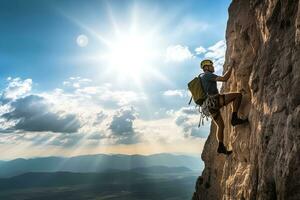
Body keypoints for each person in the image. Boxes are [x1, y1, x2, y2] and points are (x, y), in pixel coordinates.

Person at [200, 59, 248, 155]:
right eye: (211, 65)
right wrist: (231, 67)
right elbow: (224, 79)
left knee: (221, 126)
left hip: (209, 106)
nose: (213, 67)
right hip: (215, 100)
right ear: (206, 67)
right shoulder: (207, 75)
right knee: (238, 95)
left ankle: (221, 146)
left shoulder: (201, 77)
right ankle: (234, 118)